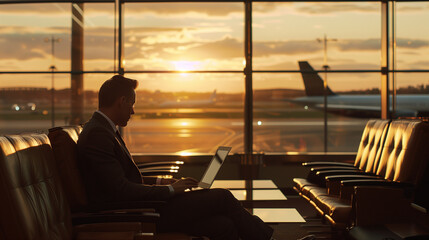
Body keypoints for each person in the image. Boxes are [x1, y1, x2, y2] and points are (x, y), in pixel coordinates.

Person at [77, 75, 274, 240]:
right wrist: (170, 190)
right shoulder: (99, 134)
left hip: (138, 206)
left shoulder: (101, 129)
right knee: (222, 197)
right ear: (122, 101)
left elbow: (120, 180)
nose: (133, 111)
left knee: (223, 225)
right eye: (132, 104)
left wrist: (166, 182)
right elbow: (120, 189)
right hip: (132, 212)